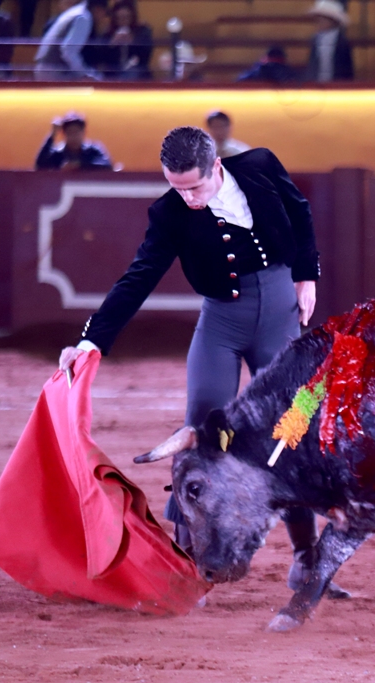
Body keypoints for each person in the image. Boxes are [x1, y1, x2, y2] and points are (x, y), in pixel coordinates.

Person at [55, 126, 339, 597]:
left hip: (281, 313)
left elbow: (300, 212)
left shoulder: (262, 166)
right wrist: (91, 342)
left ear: (217, 168)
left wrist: (307, 275)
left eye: (194, 186)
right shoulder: (169, 213)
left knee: (294, 431)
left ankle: (307, 560)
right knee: (200, 429)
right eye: (176, 186)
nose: (186, 196)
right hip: (221, 324)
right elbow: (139, 276)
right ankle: (187, 561)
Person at [34, 0, 108, 80]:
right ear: (98, 9)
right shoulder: (83, 17)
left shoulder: (76, 11)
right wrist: (85, 73)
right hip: (55, 71)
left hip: (48, 69)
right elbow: (68, 51)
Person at [35, 111, 113, 170]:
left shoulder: (94, 150)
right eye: (70, 132)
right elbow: (39, 165)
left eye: (77, 132)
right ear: (63, 134)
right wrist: (53, 134)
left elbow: (107, 166)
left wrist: (80, 165)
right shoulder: (58, 154)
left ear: (84, 133)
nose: (74, 136)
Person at [96, 0, 151, 79]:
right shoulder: (108, 33)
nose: (123, 21)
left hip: (137, 73)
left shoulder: (142, 31)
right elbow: (101, 58)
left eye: (126, 17)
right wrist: (112, 44)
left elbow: (145, 57)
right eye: (120, 18)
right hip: (114, 73)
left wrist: (133, 43)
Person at [303, 0, 353, 82]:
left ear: (332, 21)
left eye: (323, 19)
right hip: (317, 85)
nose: (319, 22)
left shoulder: (342, 42)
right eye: (318, 19)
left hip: (337, 85)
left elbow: (347, 69)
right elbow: (312, 64)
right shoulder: (315, 39)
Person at [237, 45, 301, 84]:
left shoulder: (287, 73)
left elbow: (299, 81)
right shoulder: (258, 71)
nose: (273, 66)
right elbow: (240, 81)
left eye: (276, 62)